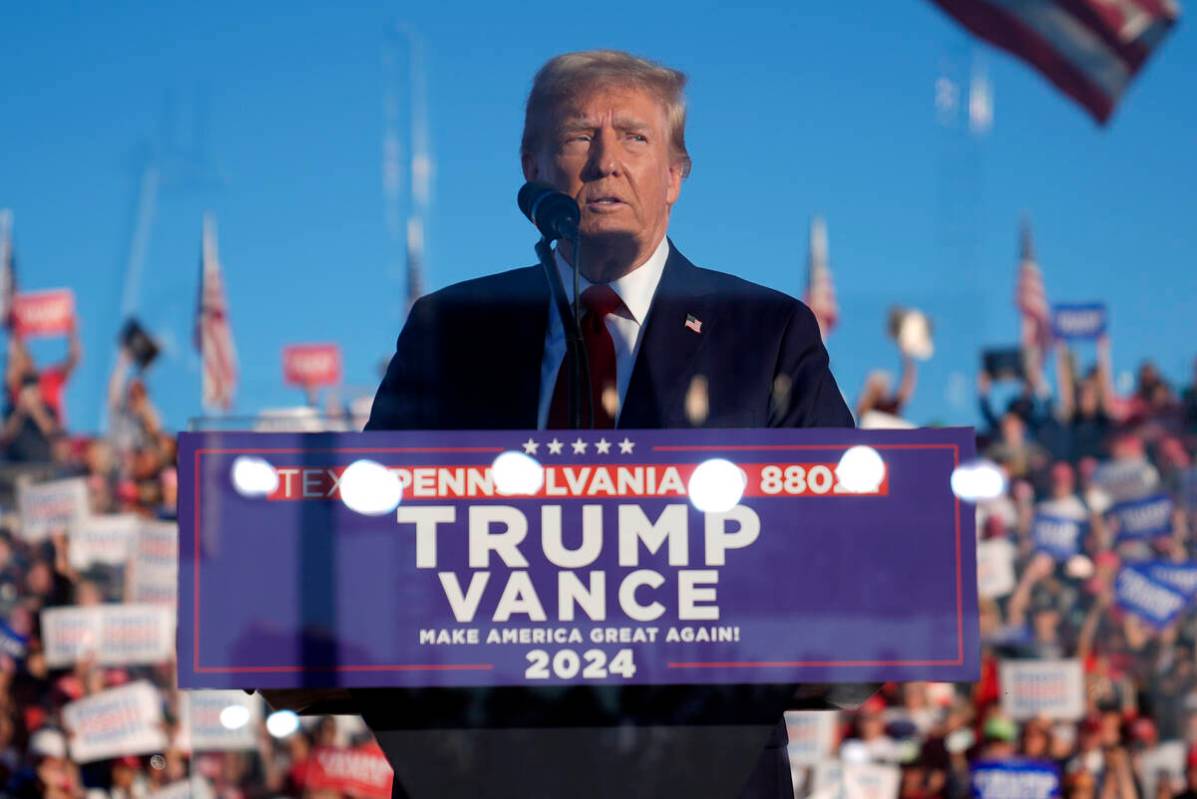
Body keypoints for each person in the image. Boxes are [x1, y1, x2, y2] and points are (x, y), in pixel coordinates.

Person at [356, 50, 853, 798]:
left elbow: (841, 539)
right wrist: (442, 764)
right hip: (479, 768)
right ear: (531, 167)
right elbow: (371, 550)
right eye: (577, 136)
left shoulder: (765, 330)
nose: (604, 162)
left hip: (705, 768)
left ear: (676, 175)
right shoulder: (449, 328)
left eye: (634, 137)